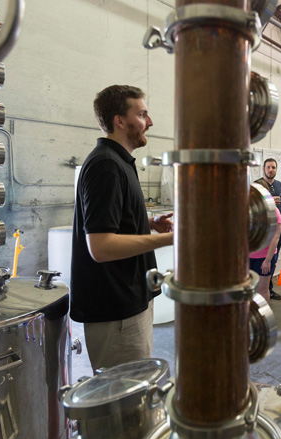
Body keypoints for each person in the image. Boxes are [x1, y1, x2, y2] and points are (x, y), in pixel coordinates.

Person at [70, 85, 174, 373]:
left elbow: (112, 222)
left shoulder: (119, 162)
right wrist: (168, 239)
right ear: (119, 120)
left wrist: (149, 224)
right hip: (116, 311)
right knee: (125, 403)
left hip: (129, 303)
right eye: (141, 114)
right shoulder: (106, 165)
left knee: (137, 392)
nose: (149, 122)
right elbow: (100, 247)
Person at [259, 158, 281, 300]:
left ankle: (268, 288)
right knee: (261, 260)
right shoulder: (258, 185)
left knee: (272, 259)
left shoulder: (280, 185)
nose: (271, 170)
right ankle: (260, 289)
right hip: (262, 231)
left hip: (278, 228)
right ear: (264, 169)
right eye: (269, 167)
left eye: (274, 167)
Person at [250, 179, 281, 302]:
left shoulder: (274, 212)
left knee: (262, 289)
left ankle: (262, 317)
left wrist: (268, 260)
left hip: (264, 257)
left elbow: (275, 237)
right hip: (250, 256)